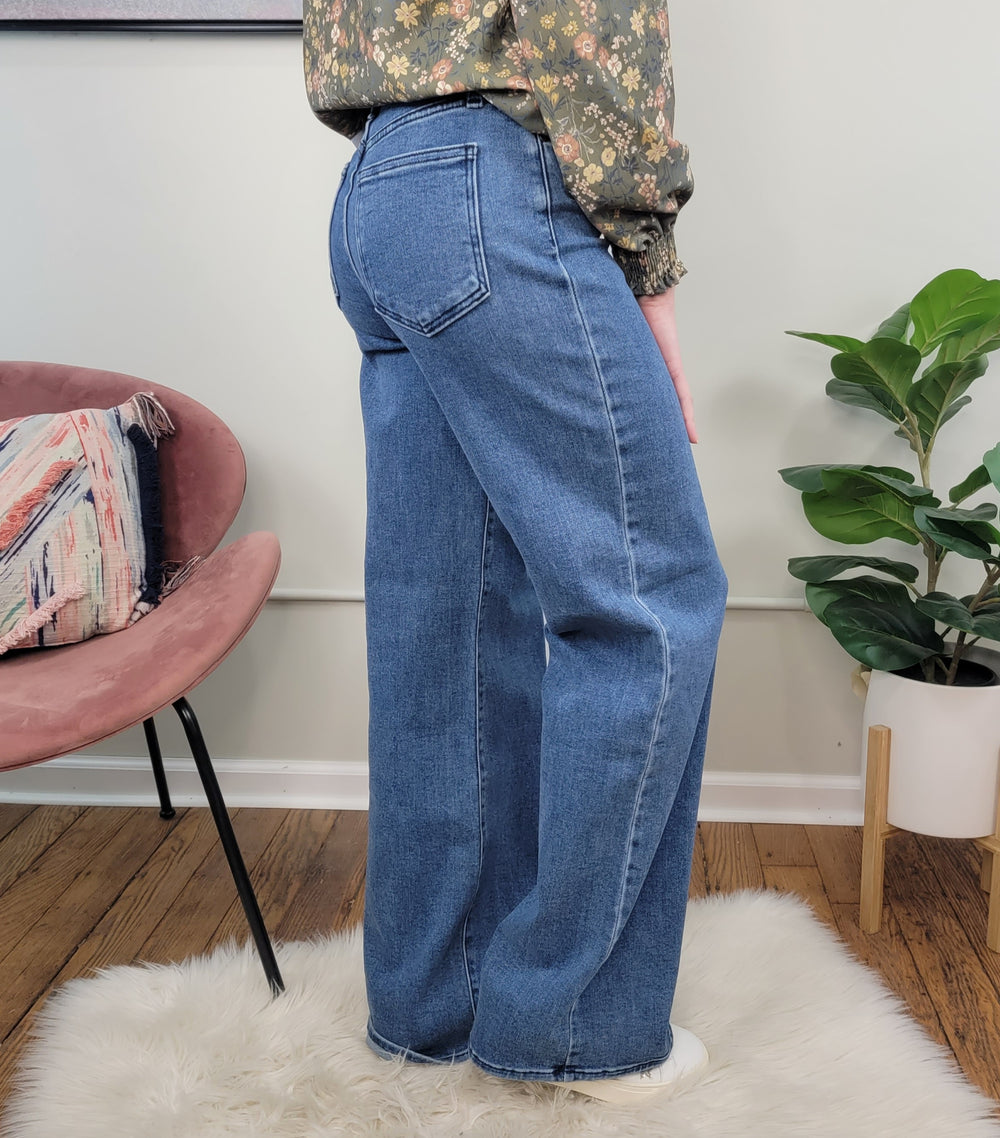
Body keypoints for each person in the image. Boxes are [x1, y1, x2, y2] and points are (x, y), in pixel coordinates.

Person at [303, 0, 728, 1105]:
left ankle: (430, 1003)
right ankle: (577, 1025)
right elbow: (594, 18)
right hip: (493, 182)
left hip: (382, 189)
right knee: (648, 597)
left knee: (441, 614)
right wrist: (649, 261)